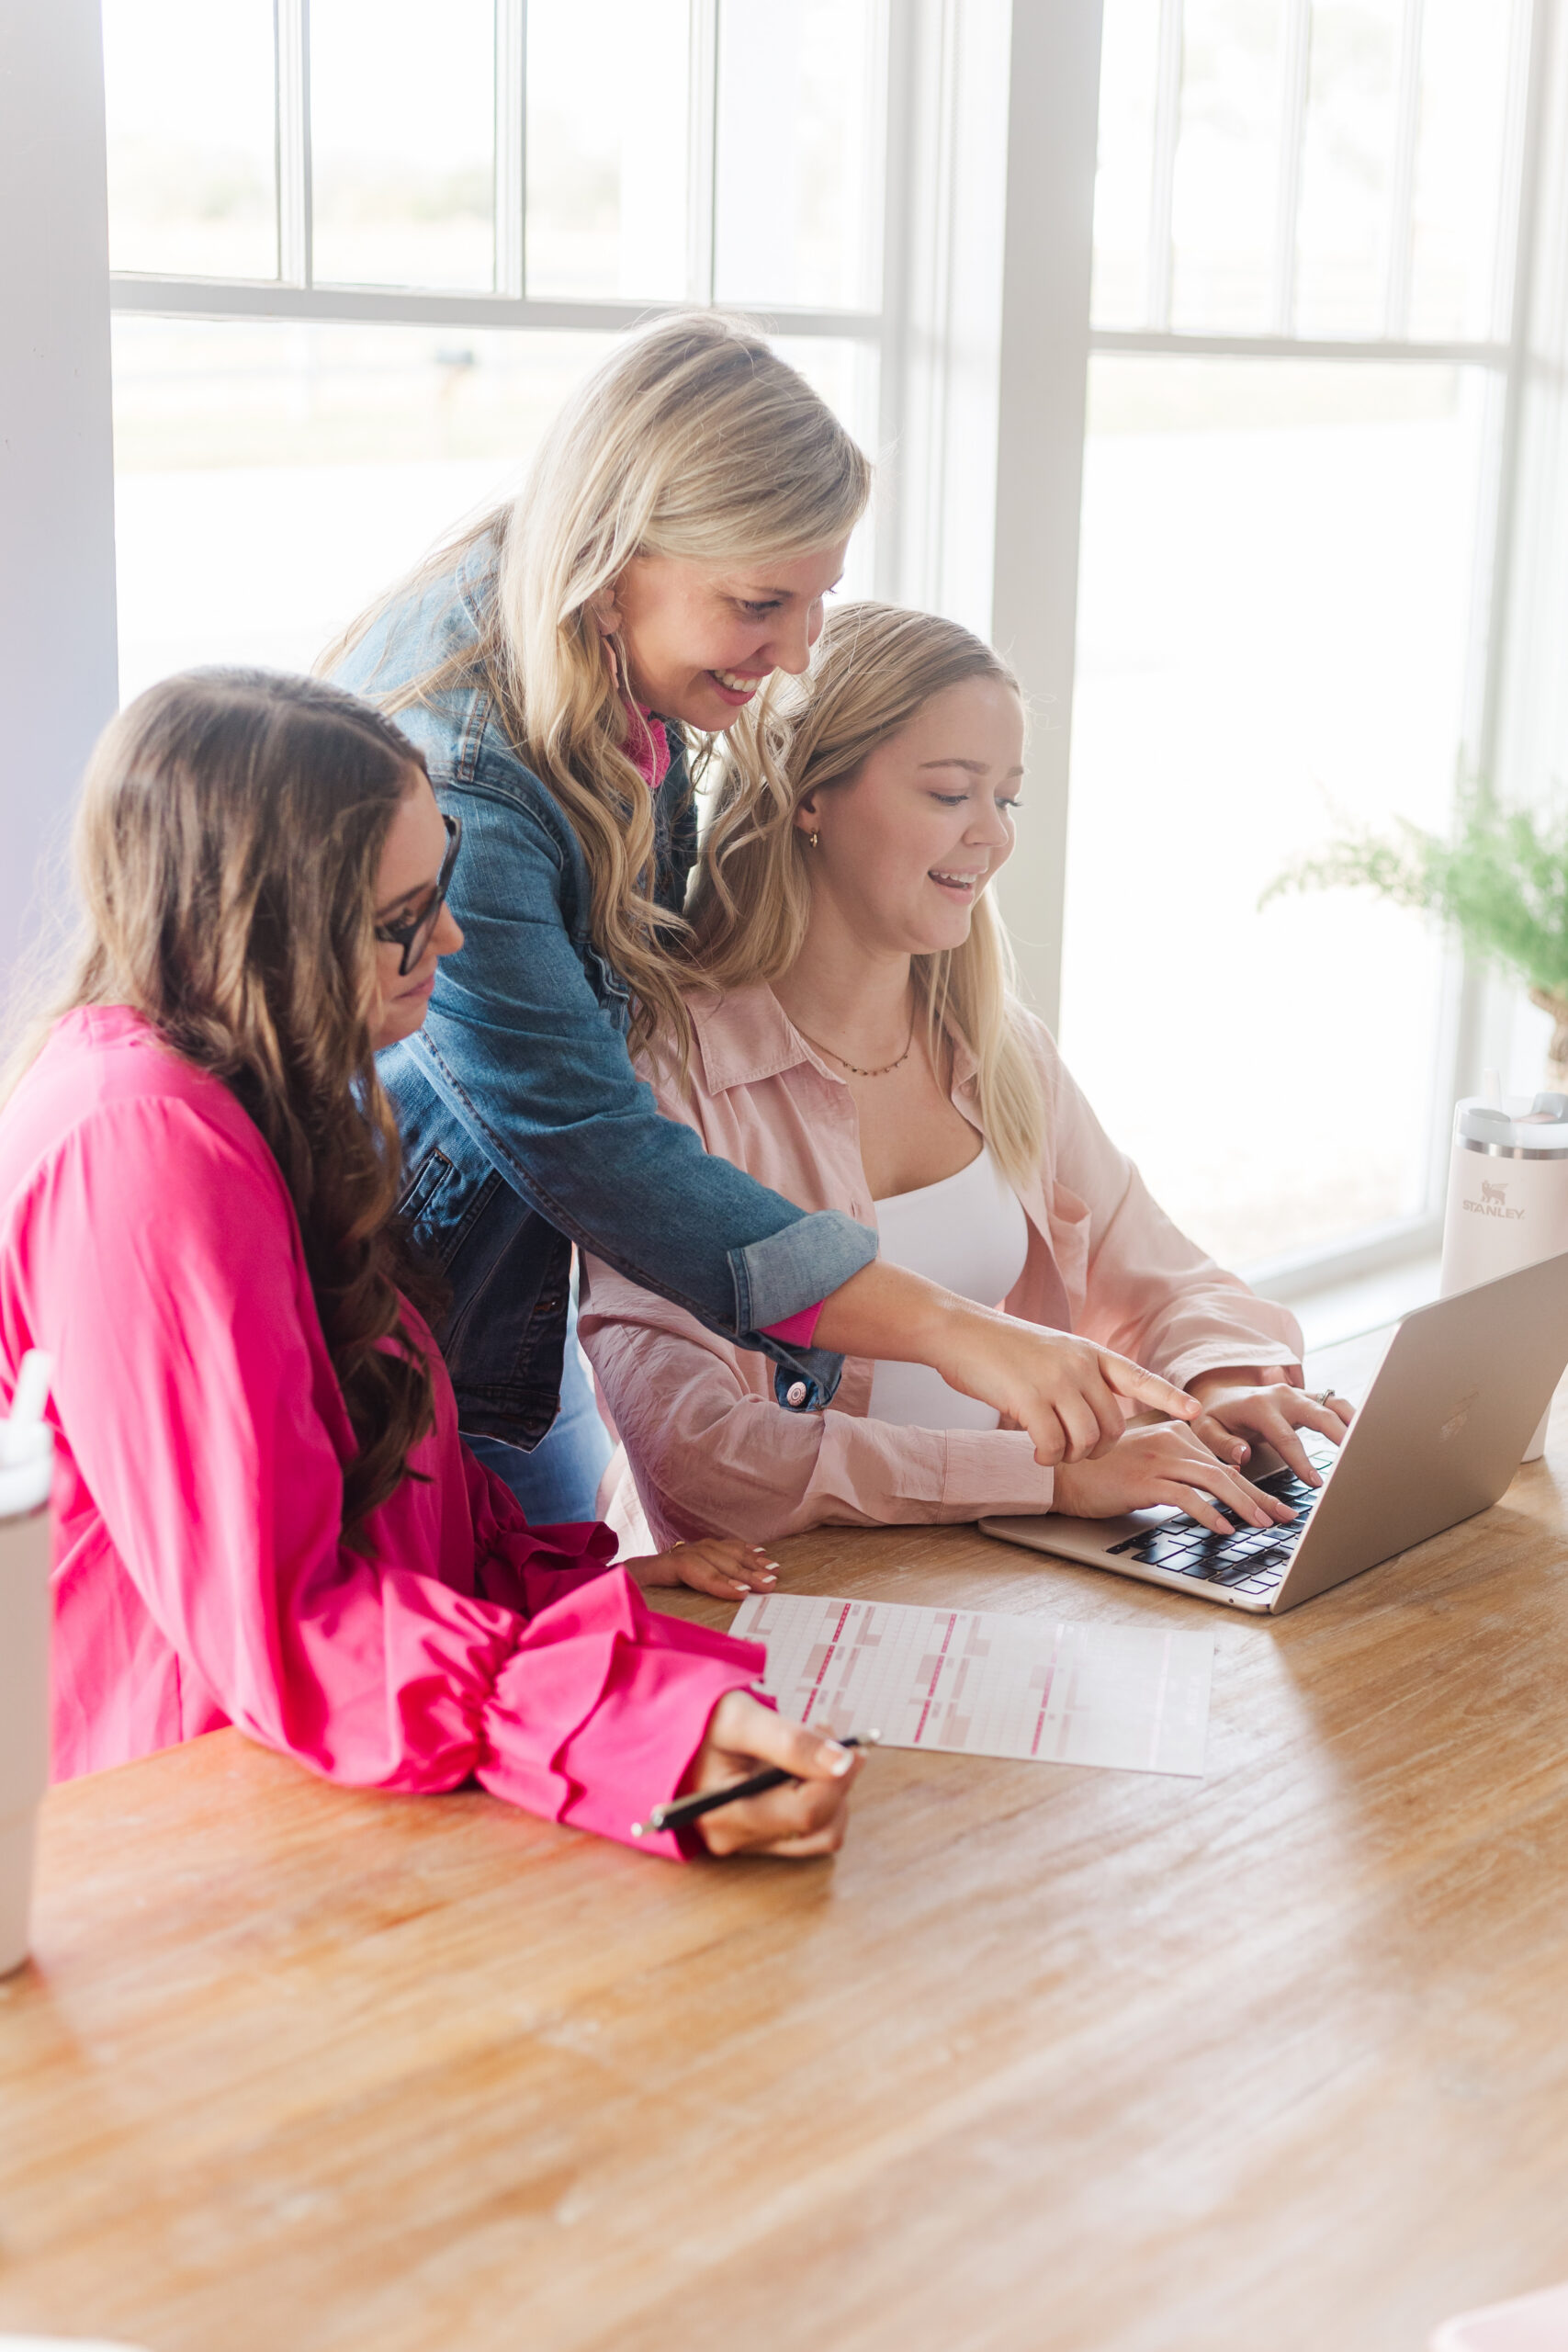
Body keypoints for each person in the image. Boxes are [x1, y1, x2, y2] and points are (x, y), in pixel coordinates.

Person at [324, 312, 1200, 1527]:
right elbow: (591, 1150)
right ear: (615, 551)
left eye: (816, 599)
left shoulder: (604, 649)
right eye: (758, 602)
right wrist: (957, 1336)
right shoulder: (466, 773)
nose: (793, 656)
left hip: (497, 1311)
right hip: (397, 1334)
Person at [0, 670, 863, 1860]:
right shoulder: (140, 1147)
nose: (448, 940)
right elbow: (287, 1620)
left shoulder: (258, 1100)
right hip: (200, 1833)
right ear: (261, 924)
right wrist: (620, 1725)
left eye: (442, 887)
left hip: (316, 1784)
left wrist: (566, 1598)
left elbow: (388, 1506)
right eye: (402, 915)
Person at [578, 604, 1354, 1547]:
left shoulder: (999, 1051)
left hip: (984, 1572)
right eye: (951, 794)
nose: (993, 836)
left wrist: (1220, 1386)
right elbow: (696, 1456)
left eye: (1008, 798)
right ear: (809, 794)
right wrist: (1041, 1474)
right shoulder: (671, 1074)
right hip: (764, 1612)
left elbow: (1166, 1281)